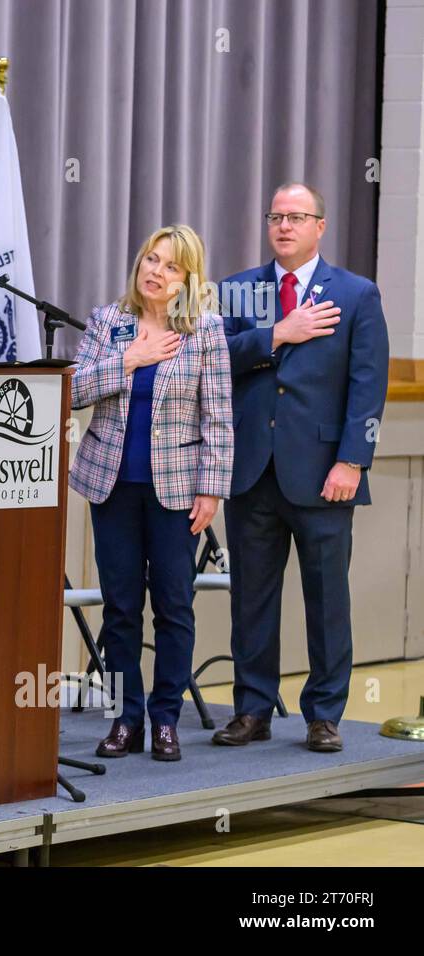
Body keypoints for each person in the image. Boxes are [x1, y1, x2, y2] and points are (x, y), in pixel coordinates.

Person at [214, 182, 389, 753]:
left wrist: (353, 461)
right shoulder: (238, 291)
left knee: (326, 596)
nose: (284, 226)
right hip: (252, 472)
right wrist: (276, 335)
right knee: (252, 598)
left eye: (297, 217)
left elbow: (368, 386)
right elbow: (216, 363)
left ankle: (324, 714)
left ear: (320, 227)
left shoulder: (358, 294)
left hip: (323, 473)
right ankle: (252, 709)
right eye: (276, 217)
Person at [70, 224, 233, 761]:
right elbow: (72, 391)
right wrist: (129, 360)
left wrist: (211, 491)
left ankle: (165, 719)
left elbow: (219, 416)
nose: (155, 271)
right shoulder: (108, 322)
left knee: (173, 605)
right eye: (150, 259)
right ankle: (125, 720)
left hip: (178, 492)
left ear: (188, 278)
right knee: (119, 607)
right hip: (111, 486)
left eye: (170, 265)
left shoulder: (205, 331)